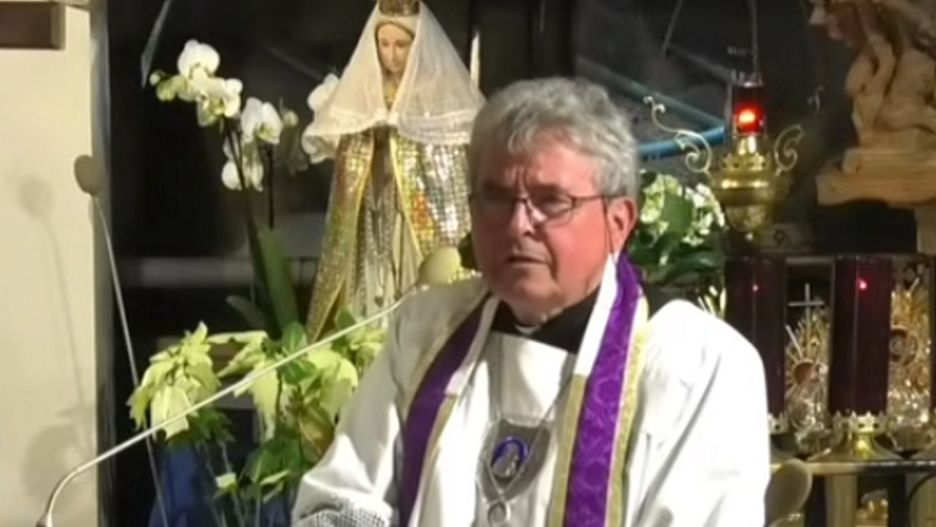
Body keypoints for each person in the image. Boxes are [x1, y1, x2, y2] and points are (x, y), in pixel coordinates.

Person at [292, 78, 769, 526]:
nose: (518, 225)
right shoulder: (425, 331)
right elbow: (341, 500)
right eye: (496, 198)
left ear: (618, 222)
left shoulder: (695, 363)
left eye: (551, 200)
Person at [302, 0, 484, 339]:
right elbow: (348, 152)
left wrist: (406, 145)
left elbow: (445, 163)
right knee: (373, 274)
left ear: (416, 45)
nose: (392, 55)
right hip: (372, 206)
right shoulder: (364, 92)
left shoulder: (433, 94)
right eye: (384, 45)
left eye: (401, 45)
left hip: (415, 212)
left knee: (412, 272)